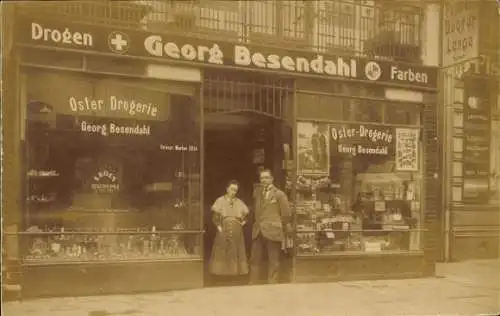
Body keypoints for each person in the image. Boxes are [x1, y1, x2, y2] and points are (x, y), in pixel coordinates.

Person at [250, 169, 292, 284]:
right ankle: (253, 283)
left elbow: (286, 214)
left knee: (273, 259)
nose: (264, 180)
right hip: (258, 230)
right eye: (262, 178)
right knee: (254, 259)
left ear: (272, 179)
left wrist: (280, 226)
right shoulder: (258, 193)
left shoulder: (279, 194)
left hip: (273, 230)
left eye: (266, 177)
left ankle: (272, 283)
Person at [209, 180, 249, 277]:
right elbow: (215, 217)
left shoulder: (240, 202)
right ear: (227, 189)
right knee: (222, 249)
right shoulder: (220, 200)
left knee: (236, 250)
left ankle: (234, 272)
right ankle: (221, 273)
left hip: (236, 230)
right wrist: (219, 227)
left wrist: (242, 223)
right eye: (231, 189)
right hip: (223, 228)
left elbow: (246, 216)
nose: (233, 192)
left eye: (235, 190)